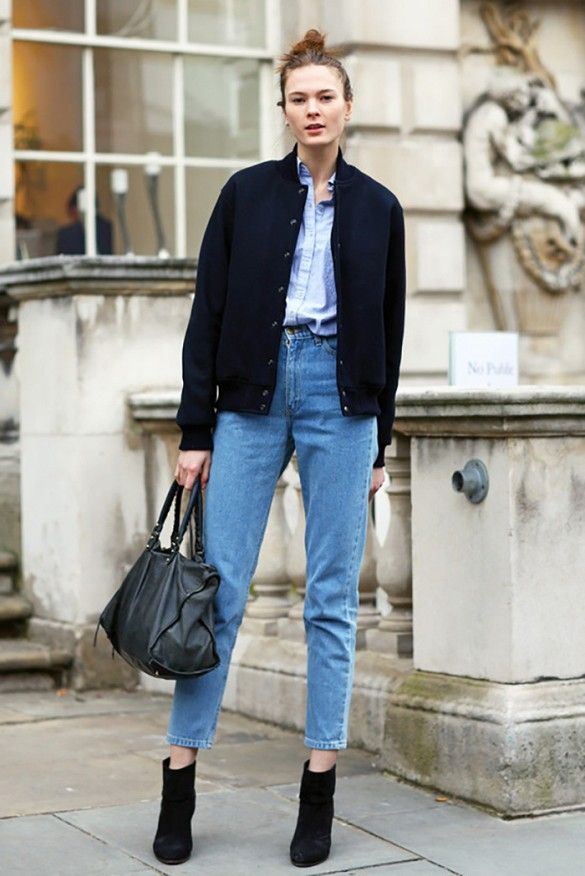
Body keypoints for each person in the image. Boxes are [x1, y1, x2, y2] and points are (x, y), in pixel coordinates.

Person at [152, 28, 406, 869]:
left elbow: (390, 330)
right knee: (217, 595)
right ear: (285, 110)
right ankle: (179, 778)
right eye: (299, 98)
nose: (313, 109)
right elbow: (208, 312)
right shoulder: (245, 194)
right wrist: (195, 431)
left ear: (347, 106)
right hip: (250, 400)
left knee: (330, 601)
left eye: (325, 96)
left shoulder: (379, 208)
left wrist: (378, 441)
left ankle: (318, 789)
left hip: (342, 401)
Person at [55, 186, 113, 255]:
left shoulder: (67, 235)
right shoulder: (110, 228)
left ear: (75, 209)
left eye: (72, 214)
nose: (72, 218)